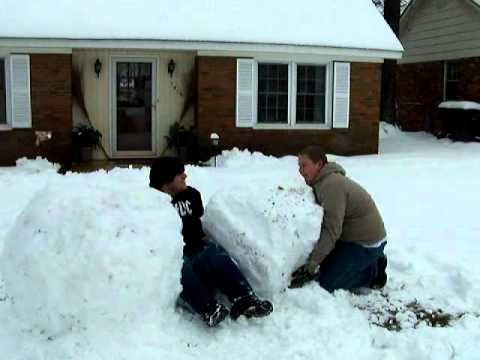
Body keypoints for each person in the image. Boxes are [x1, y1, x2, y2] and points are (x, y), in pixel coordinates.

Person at [149, 156, 273, 327]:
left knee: (216, 254)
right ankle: (208, 308)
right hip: (173, 255)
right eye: (180, 174)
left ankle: (245, 299)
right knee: (179, 267)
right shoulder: (150, 203)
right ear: (167, 179)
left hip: (197, 248)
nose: (185, 176)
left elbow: (200, 222)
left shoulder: (192, 195)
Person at [290, 146, 388, 292]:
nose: (300, 171)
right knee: (324, 266)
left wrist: (311, 266)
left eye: (304, 165)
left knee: (327, 283)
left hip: (366, 243)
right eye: (299, 166)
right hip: (348, 238)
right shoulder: (322, 182)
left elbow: (332, 229)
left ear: (319, 164)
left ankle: (373, 272)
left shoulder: (331, 185)